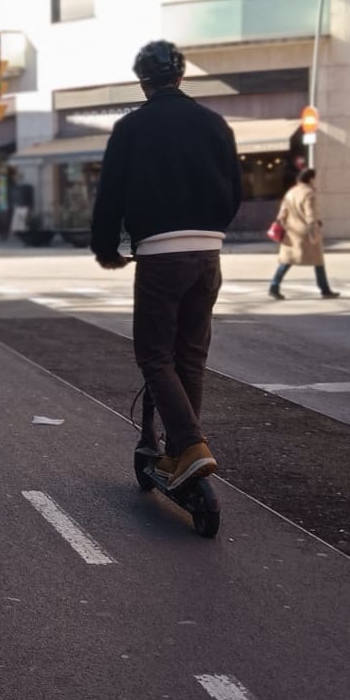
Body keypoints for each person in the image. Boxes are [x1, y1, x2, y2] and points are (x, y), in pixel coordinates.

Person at [90, 40, 242, 491]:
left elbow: (110, 197)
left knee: (155, 355)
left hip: (160, 253)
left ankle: (191, 445)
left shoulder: (132, 129)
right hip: (207, 254)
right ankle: (178, 455)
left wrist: (107, 248)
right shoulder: (214, 124)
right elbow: (235, 189)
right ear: (181, 77)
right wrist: (209, 230)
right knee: (190, 356)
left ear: (143, 82)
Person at [270, 169, 338, 299]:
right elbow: (310, 215)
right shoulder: (309, 193)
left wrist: (283, 225)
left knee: (286, 260)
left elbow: (282, 213)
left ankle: (274, 286)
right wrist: (314, 232)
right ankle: (325, 289)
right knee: (318, 260)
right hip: (306, 232)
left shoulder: (291, 192)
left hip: (291, 232)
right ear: (311, 179)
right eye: (314, 178)